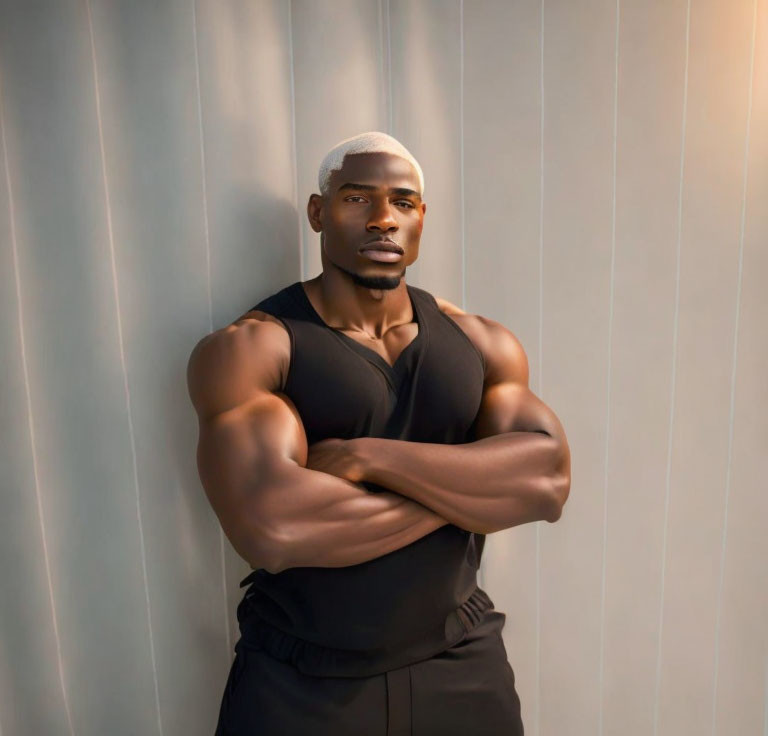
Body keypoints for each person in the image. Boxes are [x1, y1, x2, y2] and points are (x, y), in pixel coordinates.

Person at [186, 131, 571, 735]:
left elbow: (545, 481)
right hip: (302, 677)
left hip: (460, 655)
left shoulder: (479, 340)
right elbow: (274, 527)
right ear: (318, 212)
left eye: (404, 202)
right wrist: (473, 491)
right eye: (357, 199)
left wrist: (367, 457)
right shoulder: (255, 348)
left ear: (422, 219)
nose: (383, 220)